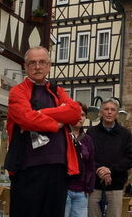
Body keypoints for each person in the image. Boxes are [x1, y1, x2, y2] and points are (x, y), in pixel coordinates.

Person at [5, 46, 82, 217]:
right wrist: (57, 123)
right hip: (27, 167)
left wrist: (40, 114)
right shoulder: (17, 91)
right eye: (32, 62)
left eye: (42, 62)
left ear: (49, 66)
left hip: (58, 168)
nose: (37, 66)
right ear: (25, 67)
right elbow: (25, 118)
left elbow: (75, 112)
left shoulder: (57, 90)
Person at [86, 99, 132, 217]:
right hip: (94, 185)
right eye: (106, 109)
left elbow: (130, 157)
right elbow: (87, 156)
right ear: (100, 113)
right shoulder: (91, 132)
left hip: (116, 185)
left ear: (117, 114)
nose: (109, 112)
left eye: (112, 110)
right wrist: (99, 170)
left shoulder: (125, 134)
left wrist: (111, 170)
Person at [66, 103, 96, 217]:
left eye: (83, 115)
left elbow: (91, 165)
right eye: (76, 114)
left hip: (81, 191)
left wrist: (88, 187)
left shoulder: (87, 139)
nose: (79, 117)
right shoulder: (62, 135)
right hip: (65, 188)